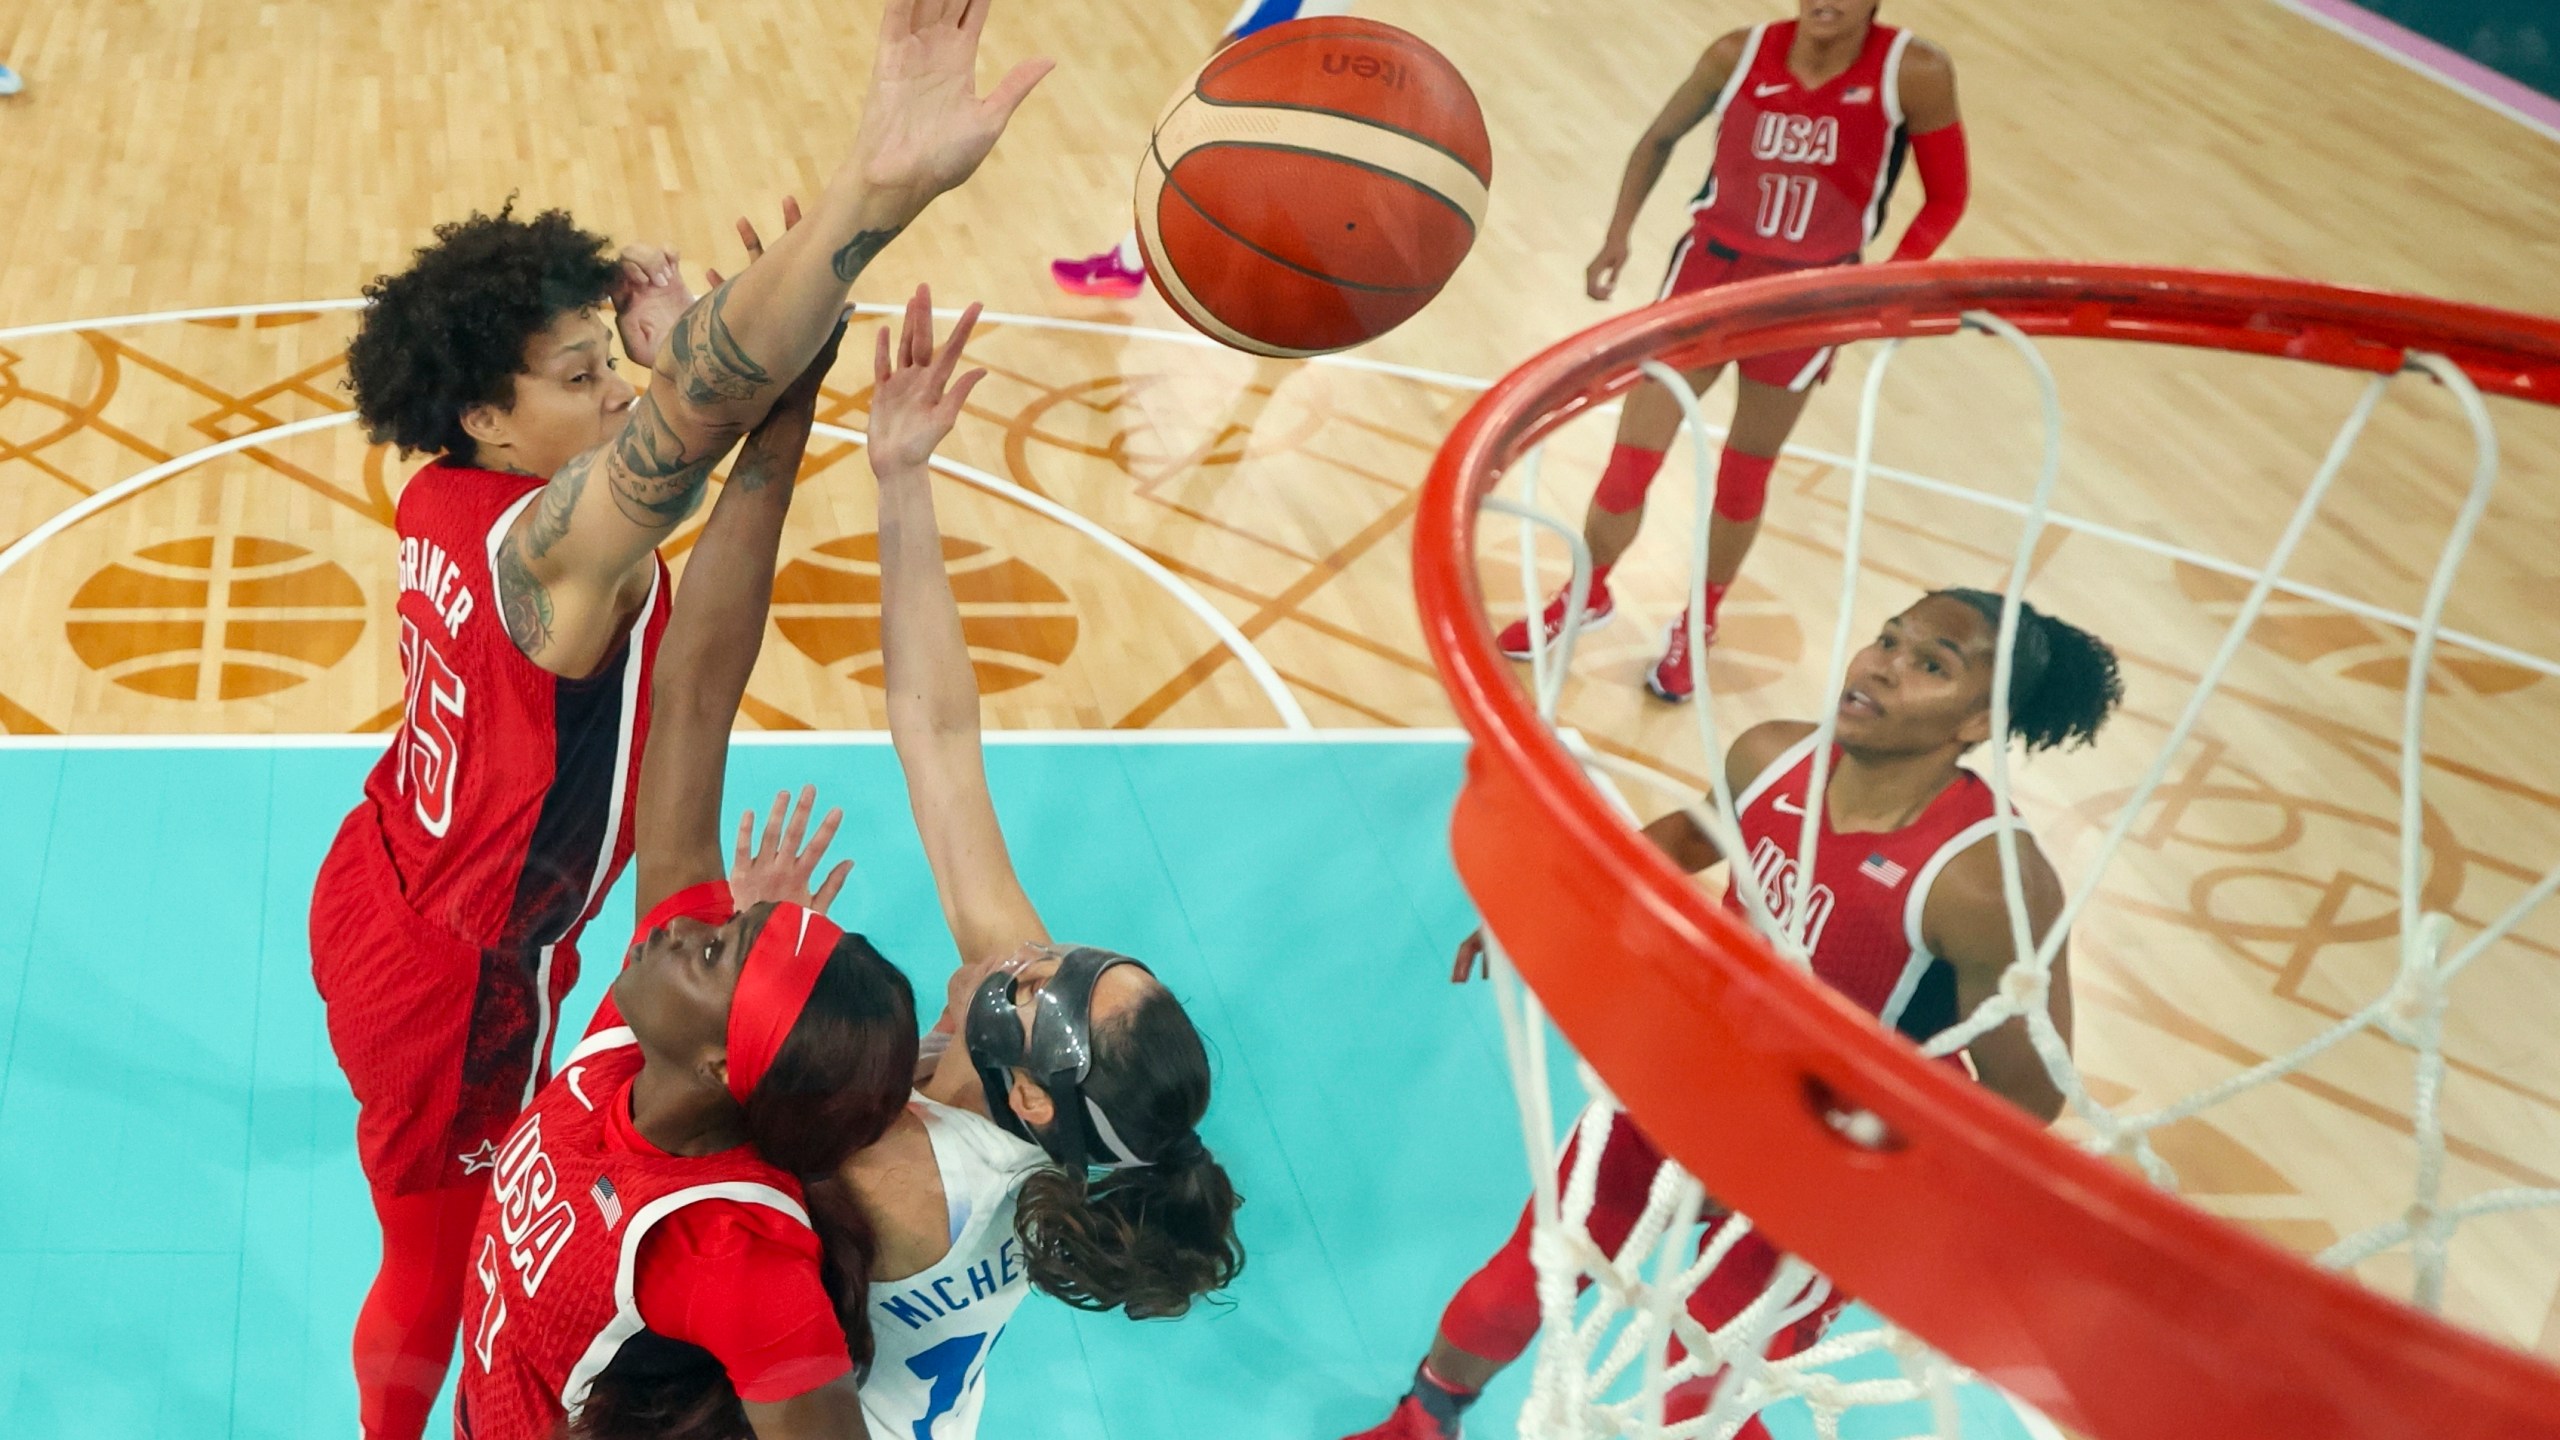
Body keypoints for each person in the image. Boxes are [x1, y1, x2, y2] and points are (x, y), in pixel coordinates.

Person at [306, 3, 1051, 1434]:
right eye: (582, 377)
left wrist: (752, 357)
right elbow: (695, 423)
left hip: (383, 864)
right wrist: (868, 195)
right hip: (460, 970)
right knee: (434, 1250)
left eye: (610, 358)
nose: (620, 390)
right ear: (485, 417)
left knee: (435, 1215)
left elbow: (702, 472)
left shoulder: (447, 500)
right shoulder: (552, 559)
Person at [570, 291, 1246, 1440]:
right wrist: (900, 477)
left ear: (1028, 1092)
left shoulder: (891, 1174)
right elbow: (938, 735)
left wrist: (750, 961)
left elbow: (699, 1095)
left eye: (1045, 985)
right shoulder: (1033, 1087)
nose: (1033, 954)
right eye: (1077, 959)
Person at [1347, 589, 2122, 1440]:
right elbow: (1687, 836)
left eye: (1929, 665)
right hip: (1702, 1077)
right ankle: (1420, 1422)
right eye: (1887, 640)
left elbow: (2032, 1095)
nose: (1882, 666)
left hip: (1843, 1158)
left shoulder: (1986, 882)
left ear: (1977, 721)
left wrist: (1863, 1169)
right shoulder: (1776, 756)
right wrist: (1540, 900)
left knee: (1699, 1389)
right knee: (1530, 1272)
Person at [1498, 0, 1971, 702]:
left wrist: (1885, 285)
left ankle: (1700, 618)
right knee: (1631, 459)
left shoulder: (1916, 72)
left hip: (1811, 296)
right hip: (1708, 274)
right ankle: (1587, 591)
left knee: (1744, 477)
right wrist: (1618, 235)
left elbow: (1947, 197)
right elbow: (1657, 139)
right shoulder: (1737, 54)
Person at [1048, 0, 1356, 299]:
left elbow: (1276, 23)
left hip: (1267, 75)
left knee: (1190, 179)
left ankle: (1128, 264)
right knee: (1223, 185)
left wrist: (1217, 75)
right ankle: (1130, 262)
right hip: (1274, 73)